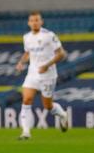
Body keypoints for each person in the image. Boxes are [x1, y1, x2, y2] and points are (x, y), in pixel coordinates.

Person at [15, 11, 68, 140]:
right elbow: (28, 53)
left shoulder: (49, 35)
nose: (34, 22)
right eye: (32, 20)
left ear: (41, 22)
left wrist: (47, 65)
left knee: (48, 106)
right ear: (28, 23)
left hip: (48, 75)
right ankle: (26, 132)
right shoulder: (26, 37)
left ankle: (62, 115)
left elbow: (62, 54)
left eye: (37, 20)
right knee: (26, 99)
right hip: (32, 73)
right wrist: (21, 62)